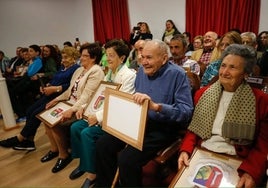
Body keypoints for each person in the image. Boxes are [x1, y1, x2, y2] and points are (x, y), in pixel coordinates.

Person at [95, 39, 194, 187]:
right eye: (143, 57)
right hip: (139, 121)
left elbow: (186, 112)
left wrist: (157, 107)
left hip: (163, 127)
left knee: (127, 159)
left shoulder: (177, 74)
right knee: (103, 145)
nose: (144, 62)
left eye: (149, 58)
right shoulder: (141, 71)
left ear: (164, 58)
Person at [178, 44, 268, 187]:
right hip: (202, 153)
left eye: (233, 67)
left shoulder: (261, 100)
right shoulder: (203, 94)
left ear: (245, 73)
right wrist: (185, 150)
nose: (224, 72)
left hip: (237, 159)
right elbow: (193, 129)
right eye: (223, 65)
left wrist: (251, 171)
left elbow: (263, 145)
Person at [69, 39, 136, 187]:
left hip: (115, 117)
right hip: (102, 112)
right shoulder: (109, 75)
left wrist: (98, 116)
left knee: (87, 133)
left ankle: (92, 173)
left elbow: (121, 104)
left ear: (122, 58)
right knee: (75, 127)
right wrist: (84, 107)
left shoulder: (129, 76)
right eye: (106, 55)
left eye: (111, 55)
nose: (106, 59)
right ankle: (85, 164)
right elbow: (99, 97)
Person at [41, 43, 104, 173]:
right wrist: (56, 99)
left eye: (85, 56)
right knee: (46, 117)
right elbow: (70, 90)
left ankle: (63, 155)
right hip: (69, 103)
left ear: (93, 58)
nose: (81, 58)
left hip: (81, 108)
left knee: (55, 123)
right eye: (81, 55)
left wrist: (71, 110)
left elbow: (86, 97)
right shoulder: (79, 70)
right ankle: (55, 149)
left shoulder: (96, 71)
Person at [0, 47, 80, 150]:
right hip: (50, 93)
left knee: (36, 113)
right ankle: (29, 140)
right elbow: (56, 79)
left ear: (73, 58)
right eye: (62, 57)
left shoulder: (75, 69)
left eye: (66, 58)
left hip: (60, 96)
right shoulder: (63, 67)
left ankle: (20, 138)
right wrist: (48, 85)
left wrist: (54, 88)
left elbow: (70, 86)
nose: (63, 60)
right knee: (29, 111)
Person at [8, 44, 43, 122]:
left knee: (12, 93)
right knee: (13, 91)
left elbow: (30, 73)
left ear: (37, 53)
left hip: (31, 83)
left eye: (31, 51)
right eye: (29, 51)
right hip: (27, 81)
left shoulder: (38, 61)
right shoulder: (33, 61)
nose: (29, 53)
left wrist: (27, 70)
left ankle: (22, 114)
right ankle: (22, 114)